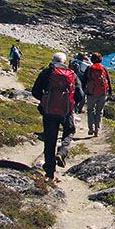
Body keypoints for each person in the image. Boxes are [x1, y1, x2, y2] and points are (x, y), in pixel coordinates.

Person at [32, 52, 84, 180]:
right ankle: (62, 151)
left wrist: (45, 99)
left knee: (50, 140)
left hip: (49, 110)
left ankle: (50, 171)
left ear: (53, 60)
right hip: (66, 111)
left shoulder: (47, 72)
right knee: (70, 131)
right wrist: (72, 103)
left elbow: (35, 91)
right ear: (65, 62)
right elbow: (80, 94)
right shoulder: (72, 74)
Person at [82, 53, 112, 137]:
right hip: (102, 93)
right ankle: (97, 129)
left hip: (91, 93)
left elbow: (84, 80)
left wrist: (84, 91)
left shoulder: (89, 68)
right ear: (101, 59)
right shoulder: (104, 68)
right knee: (99, 111)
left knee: (90, 110)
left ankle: (91, 127)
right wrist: (110, 92)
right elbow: (108, 80)